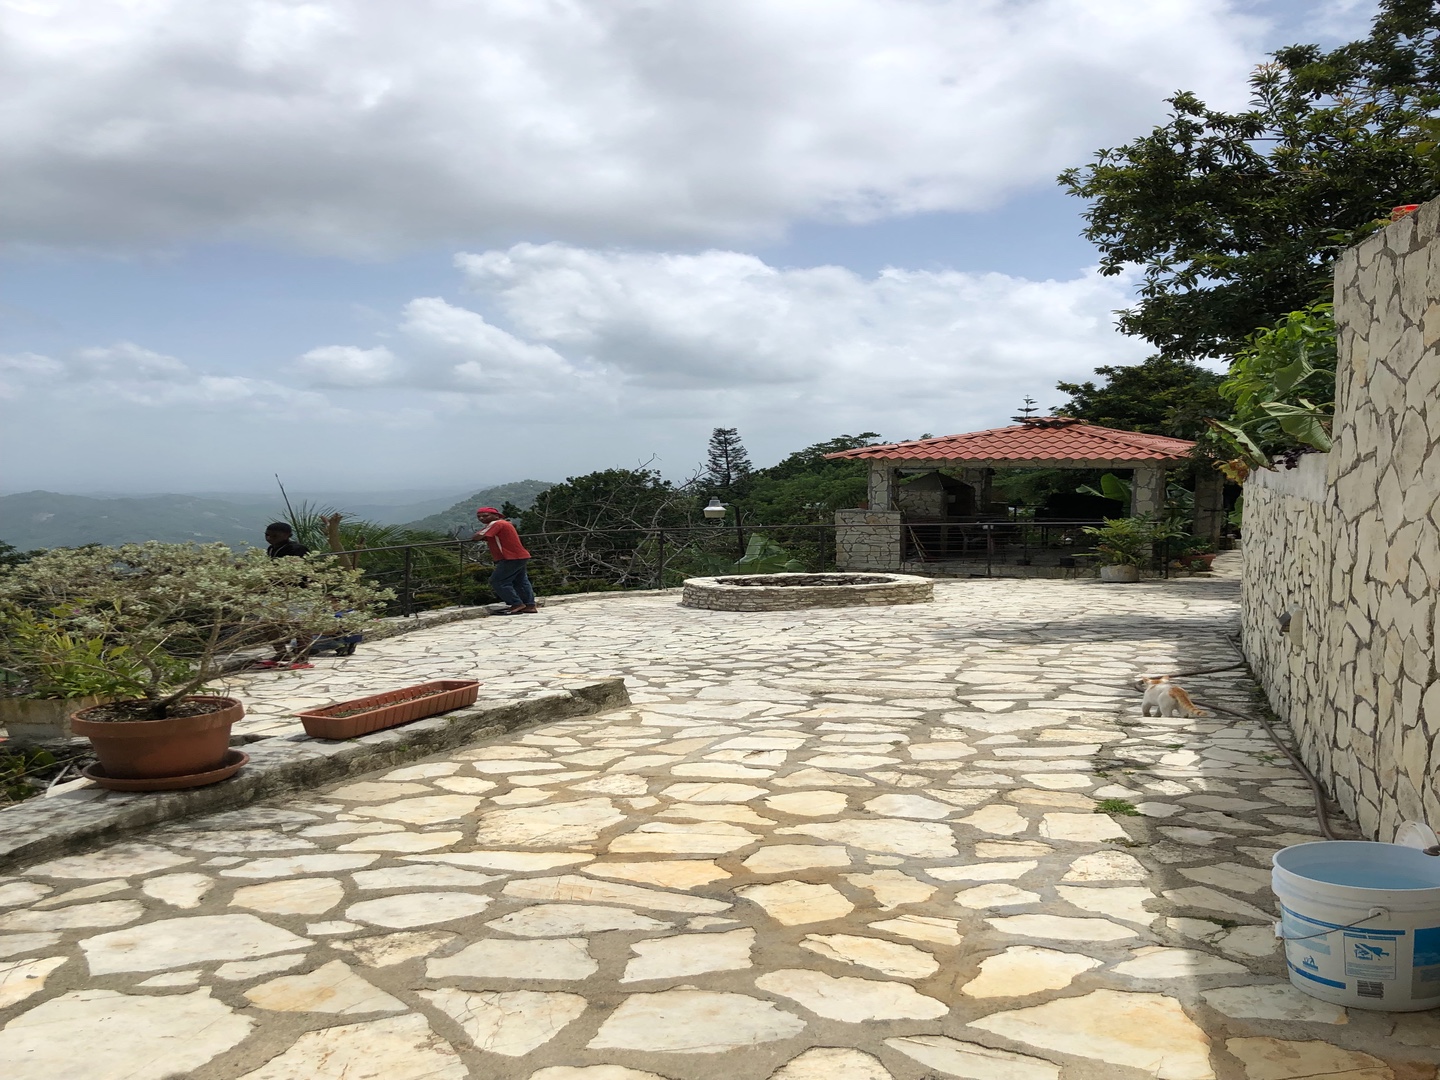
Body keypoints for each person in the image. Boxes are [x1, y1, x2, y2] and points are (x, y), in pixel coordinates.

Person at [472, 507, 538, 614]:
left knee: (498, 581)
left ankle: (516, 603)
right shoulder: (504, 523)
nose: (481, 518)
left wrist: (477, 535)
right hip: (520, 556)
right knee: (521, 581)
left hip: (510, 557)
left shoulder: (496, 523)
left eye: (485, 515)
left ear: (496, 516)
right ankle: (529, 605)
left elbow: (478, 536)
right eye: (479, 516)